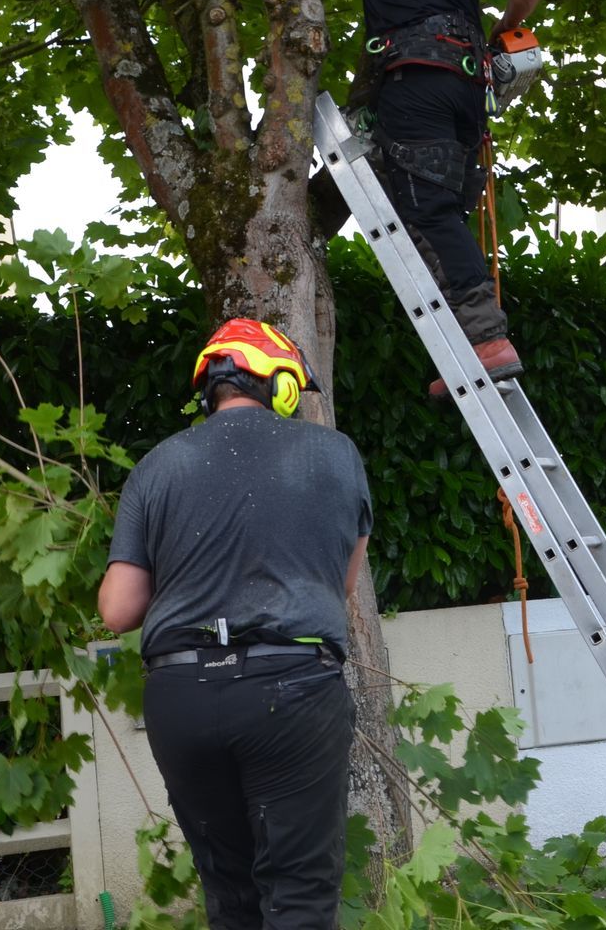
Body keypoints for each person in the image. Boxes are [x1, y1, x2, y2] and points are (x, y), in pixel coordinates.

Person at [97, 318, 372, 930]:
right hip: (292, 690)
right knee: (298, 895)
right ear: (281, 386)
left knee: (232, 898)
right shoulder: (335, 454)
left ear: (211, 389)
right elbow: (342, 585)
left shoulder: (158, 465)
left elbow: (117, 609)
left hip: (182, 697)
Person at [310, 0, 544, 398]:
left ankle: (488, 339)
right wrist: (502, 28)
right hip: (469, 84)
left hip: (412, 77)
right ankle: (469, 347)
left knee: (426, 211)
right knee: (444, 209)